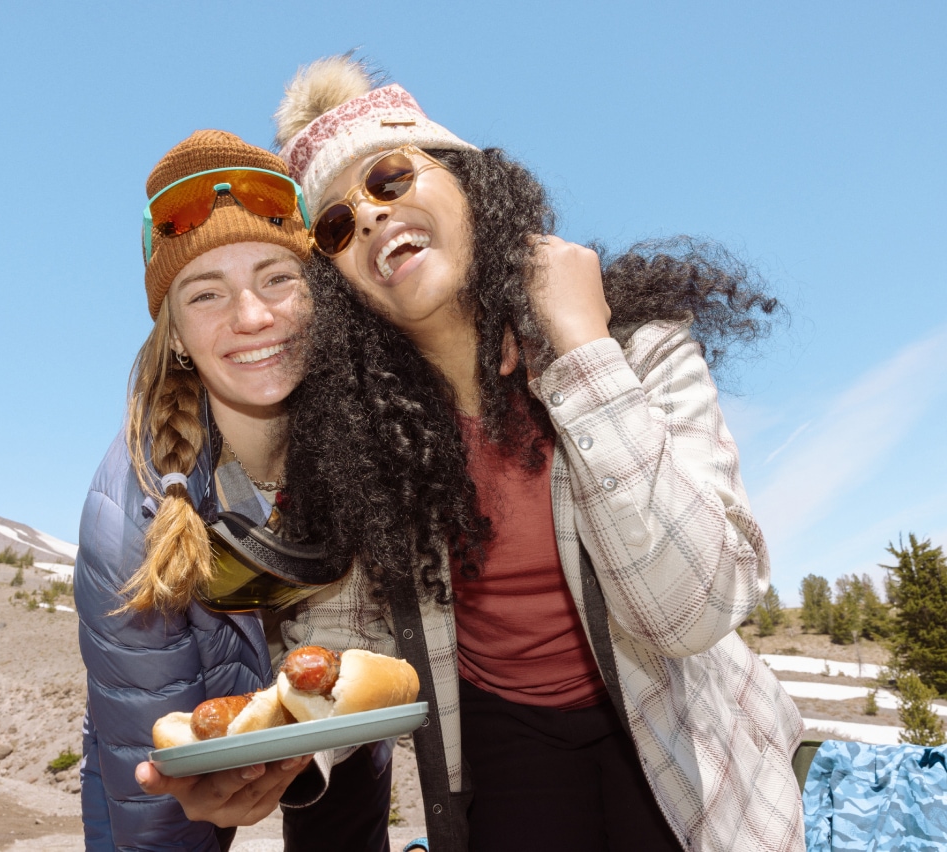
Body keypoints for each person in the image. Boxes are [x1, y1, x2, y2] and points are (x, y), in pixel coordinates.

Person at [266, 55, 807, 852]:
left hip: (675, 719)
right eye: (338, 225)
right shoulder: (363, 442)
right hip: (506, 732)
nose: (373, 217)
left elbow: (693, 611)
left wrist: (585, 356)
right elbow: (350, 644)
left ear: (467, 182)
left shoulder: (636, 346)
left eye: (389, 178)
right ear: (342, 282)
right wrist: (278, 751)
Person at [73, 130, 392, 850]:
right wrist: (198, 804)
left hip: (343, 742)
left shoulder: (376, 440)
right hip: (172, 772)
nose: (252, 318)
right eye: (207, 293)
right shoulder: (129, 515)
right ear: (177, 334)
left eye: (278, 278)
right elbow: (148, 779)